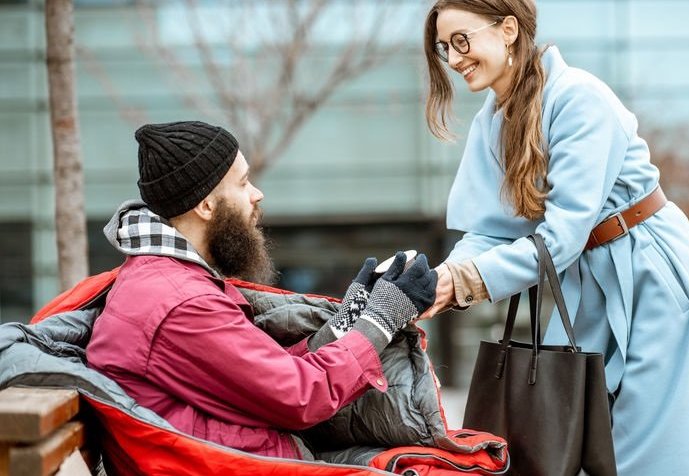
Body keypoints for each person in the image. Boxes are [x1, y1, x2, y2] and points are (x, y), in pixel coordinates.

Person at [418, 1, 689, 474]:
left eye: (462, 40)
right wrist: (439, 278)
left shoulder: (578, 97)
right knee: (586, 442)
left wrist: (464, 282)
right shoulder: (493, 122)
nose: (454, 59)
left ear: (509, 29)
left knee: (661, 444)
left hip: (645, 271)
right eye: (444, 48)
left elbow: (561, 235)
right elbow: (491, 230)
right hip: (582, 285)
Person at [86, 121, 437, 460]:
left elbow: (269, 375)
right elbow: (302, 395)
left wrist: (349, 320)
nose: (257, 194)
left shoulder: (168, 281)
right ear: (206, 205)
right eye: (243, 183)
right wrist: (381, 318)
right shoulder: (180, 303)